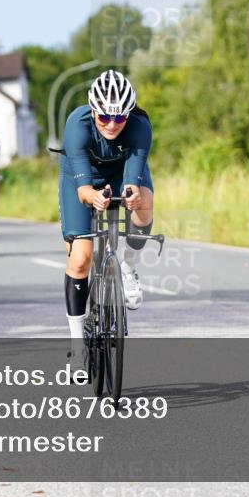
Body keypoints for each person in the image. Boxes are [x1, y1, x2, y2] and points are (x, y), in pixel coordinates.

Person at [58, 70, 153, 363]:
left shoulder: (140, 126)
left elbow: (132, 180)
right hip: (82, 176)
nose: (112, 124)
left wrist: (132, 194)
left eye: (120, 118)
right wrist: (93, 197)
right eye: (105, 117)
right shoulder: (77, 125)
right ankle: (77, 346)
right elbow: (84, 190)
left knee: (144, 199)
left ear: (129, 114)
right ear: (94, 110)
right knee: (80, 258)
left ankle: (128, 265)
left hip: (122, 169)